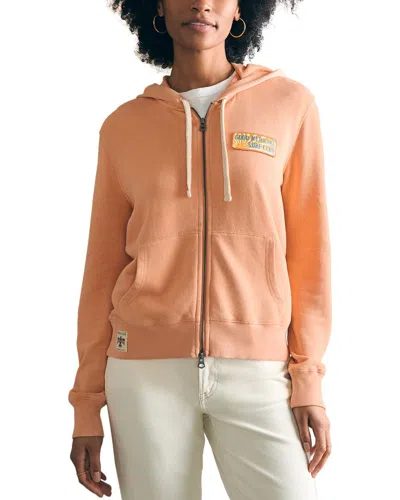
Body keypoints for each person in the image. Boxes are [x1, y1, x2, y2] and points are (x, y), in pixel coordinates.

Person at [68, 0, 332, 498]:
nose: (201, 3)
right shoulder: (123, 126)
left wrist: (308, 378)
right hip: (143, 374)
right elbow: (101, 269)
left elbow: (309, 254)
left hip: (261, 370)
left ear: (240, 10)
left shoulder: (289, 105)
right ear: (156, 8)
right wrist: (86, 403)